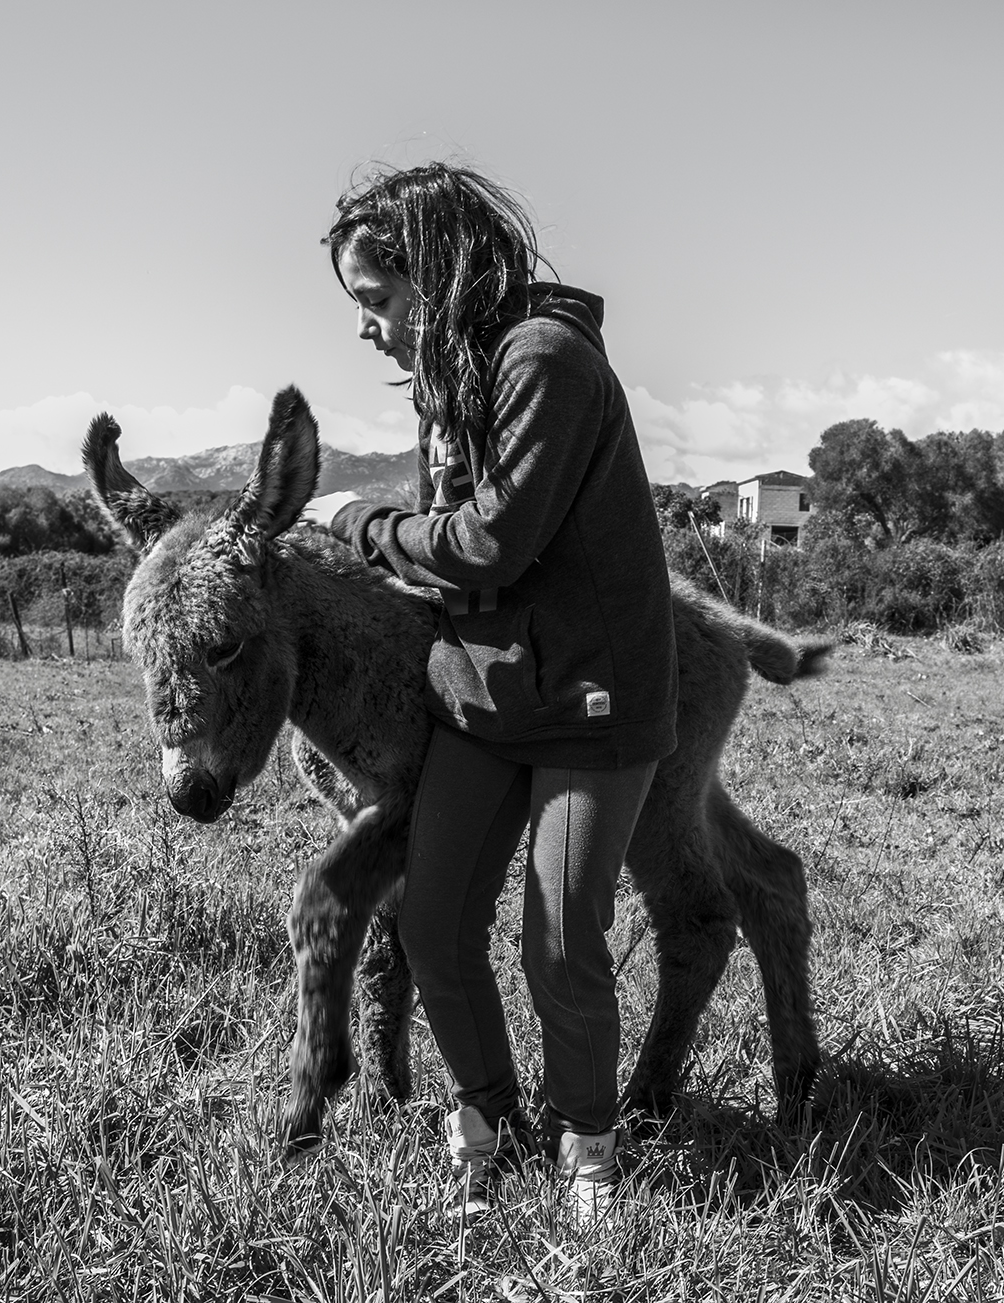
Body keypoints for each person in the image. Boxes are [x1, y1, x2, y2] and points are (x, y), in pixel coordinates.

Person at [322, 162, 678, 1220]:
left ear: (437, 278)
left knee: (561, 937)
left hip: (589, 700)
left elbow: (486, 544)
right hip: (479, 695)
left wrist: (354, 524)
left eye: (378, 300)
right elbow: (450, 549)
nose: (367, 328)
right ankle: (486, 1115)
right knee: (433, 921)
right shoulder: (454, 377)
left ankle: (587, 1152)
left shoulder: (547, 361)